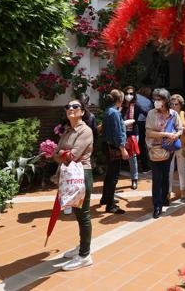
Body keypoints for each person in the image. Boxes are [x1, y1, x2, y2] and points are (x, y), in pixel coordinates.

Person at [54, 99, 94, 271]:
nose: (70, 108)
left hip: (81, 174)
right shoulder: (68, 130)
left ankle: (85, 255)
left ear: (82, 112)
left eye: (75, 106)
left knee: (83, 214)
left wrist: (60, 153)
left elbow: (73, 156)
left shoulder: (85, 130)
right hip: (70, 175)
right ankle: (81, 247)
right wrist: (60, 153)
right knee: (78, 214)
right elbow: (58, 154)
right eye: (68, 106)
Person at [146, 88, 182, 219]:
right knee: (157, 178)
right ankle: (157, 205)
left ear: (166, 100)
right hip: (155, 149)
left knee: (166, 175)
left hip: (169, 149)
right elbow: (149, 133)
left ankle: (165, 198)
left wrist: (176, 135)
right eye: (154, 99)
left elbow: (180, 129)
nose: (156, 101)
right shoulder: (151, 114)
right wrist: (166, 134)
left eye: (158, 99)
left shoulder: (174, 114)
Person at [100, 89, 129, 214]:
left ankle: (106, 198)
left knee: (109, 174)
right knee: (114, 176)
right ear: (119, 100)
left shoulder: (108, 111)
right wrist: (123, 149)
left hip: (106, 145)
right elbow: (118, 134)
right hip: (113, 147)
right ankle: (110, 205)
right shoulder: (115, 113)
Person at [121, 85, 146, 190]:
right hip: (122, 133)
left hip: (133, 134)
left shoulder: (136, 106)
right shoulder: (120, 106)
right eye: (127, 93)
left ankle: (134, 179)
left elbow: (147, 113)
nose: (129, 96)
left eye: (131, 94)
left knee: (132, 156)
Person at [168, 94, 185, 199]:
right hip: (169, 145)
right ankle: (168, 191)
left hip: (182, 145)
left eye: (176, 104)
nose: (174, 106)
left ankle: (183, 190)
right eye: (172, 104)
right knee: (169, 169)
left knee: (182, 169)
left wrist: (180, 127)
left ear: (180, 105)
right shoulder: (167, 114)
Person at [136, 87, 153, 172]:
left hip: (135, 122)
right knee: (142, 144)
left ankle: (135, 163)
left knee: (135, 142)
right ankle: (144, 165)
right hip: (143, 123)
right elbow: (149, 113)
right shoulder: (149, 101)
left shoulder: (136, 96)